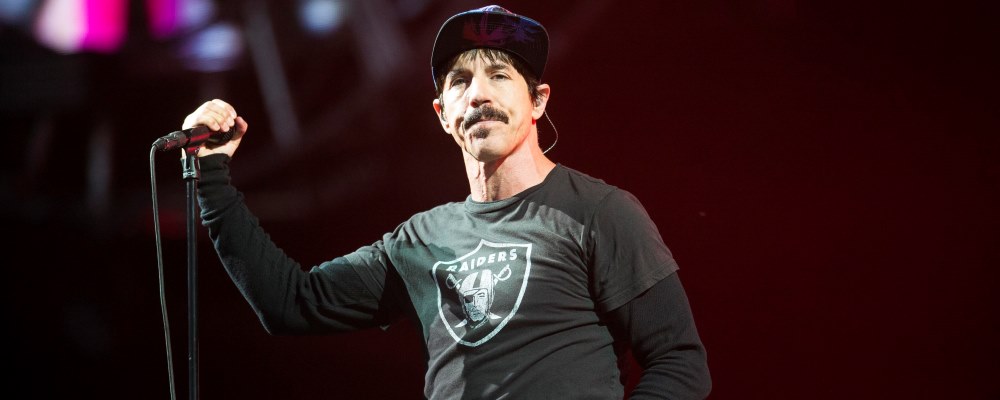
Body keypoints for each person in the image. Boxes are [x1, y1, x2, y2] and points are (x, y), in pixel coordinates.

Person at [183, 5, 711, 399]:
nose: (478, 94)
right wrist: (212, 176)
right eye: (461, 81)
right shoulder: (419, 241)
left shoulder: (599, 212)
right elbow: (292, 303)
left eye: (499, 76)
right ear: (441, 113)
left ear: (538, 101)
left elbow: (679, 361)